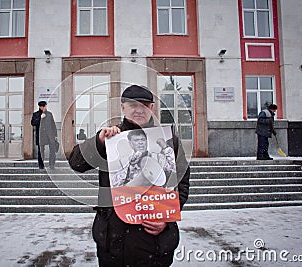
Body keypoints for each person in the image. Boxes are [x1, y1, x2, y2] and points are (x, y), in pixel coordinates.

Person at [68, 84, 190, 266]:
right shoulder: (110, 139)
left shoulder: (169, 141)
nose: (138, 110)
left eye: (144, 105)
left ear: (152, 108)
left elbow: (182, 184)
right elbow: (76, 163)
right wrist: (99, 142)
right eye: (133, 105)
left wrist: (167, 218)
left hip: (155, 242)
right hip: (114, 240)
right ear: (122, 107)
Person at [31, 101, 58, 169]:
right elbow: (33, 123)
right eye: (43, 106)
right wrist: (40, 118)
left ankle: (52, 165)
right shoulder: (36, 114)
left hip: (50, 135)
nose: (45, 108)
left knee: (52, 150)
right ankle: (41, 165)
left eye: (45, 106)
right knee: (41, 151)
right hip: (40, 135)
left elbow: (53, 124)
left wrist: (55, 135)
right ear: (40, 107)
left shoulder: (49, 114)